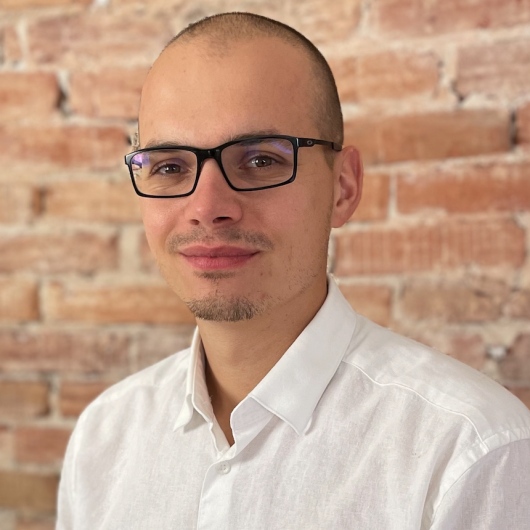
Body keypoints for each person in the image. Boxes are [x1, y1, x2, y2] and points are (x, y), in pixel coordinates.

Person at [57, 12, 530, 530]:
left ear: (343, 188)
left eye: (260, 160)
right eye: (170, 166)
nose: (207, 208)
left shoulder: (472, 452)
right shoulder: (104, 439)